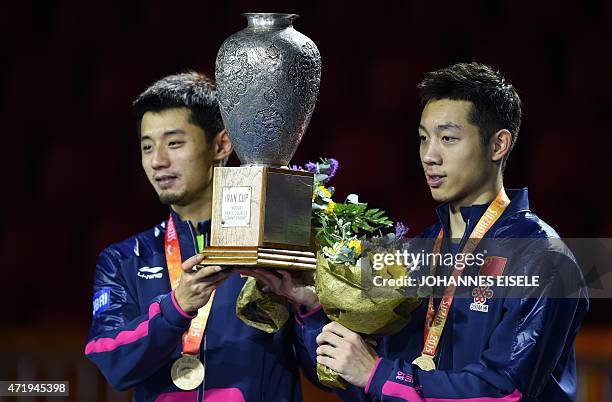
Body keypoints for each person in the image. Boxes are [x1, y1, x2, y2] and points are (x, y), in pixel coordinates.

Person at [301, 62, 589, 401]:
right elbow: (365, 384)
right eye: (424, 138)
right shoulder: (416, 252)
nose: (429, 155)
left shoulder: (542, 258)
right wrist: (313, 307)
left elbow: (504, 392)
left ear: (498, 145)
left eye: (448, 138)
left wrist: (377, 375)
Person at [84, 71, 322, 402]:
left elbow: (328, 375)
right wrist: (175, 307)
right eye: (147, 146)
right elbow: (112, 362)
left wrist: (310, 308)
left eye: (175, 142)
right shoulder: (125, 258)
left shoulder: (273, 244)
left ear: (222, 145)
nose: (157, 161)